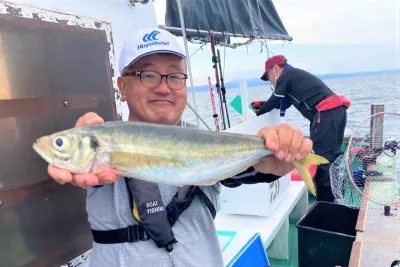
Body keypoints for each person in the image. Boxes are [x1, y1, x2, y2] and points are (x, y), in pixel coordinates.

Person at [47, 28, 313, 267]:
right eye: (148, 75)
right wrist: (73, 160)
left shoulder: (206, 142)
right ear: (123, 87)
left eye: (175, 76)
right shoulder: (104, 141)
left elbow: (245, 172)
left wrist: (274, 159)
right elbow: (79, 171)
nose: (164, 88)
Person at [253, 54, 351, 203]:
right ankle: (338, 195)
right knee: (333, 155)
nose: (270, 81)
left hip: (325, 113)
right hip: (337, 112)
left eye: (268, 76)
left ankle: (325, 204)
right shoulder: (293, 77)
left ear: (275, 69)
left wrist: (255, 115)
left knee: (322, 160)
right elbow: (281, 103)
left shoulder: (287, 75)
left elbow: (275, 99)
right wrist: (261, 104)